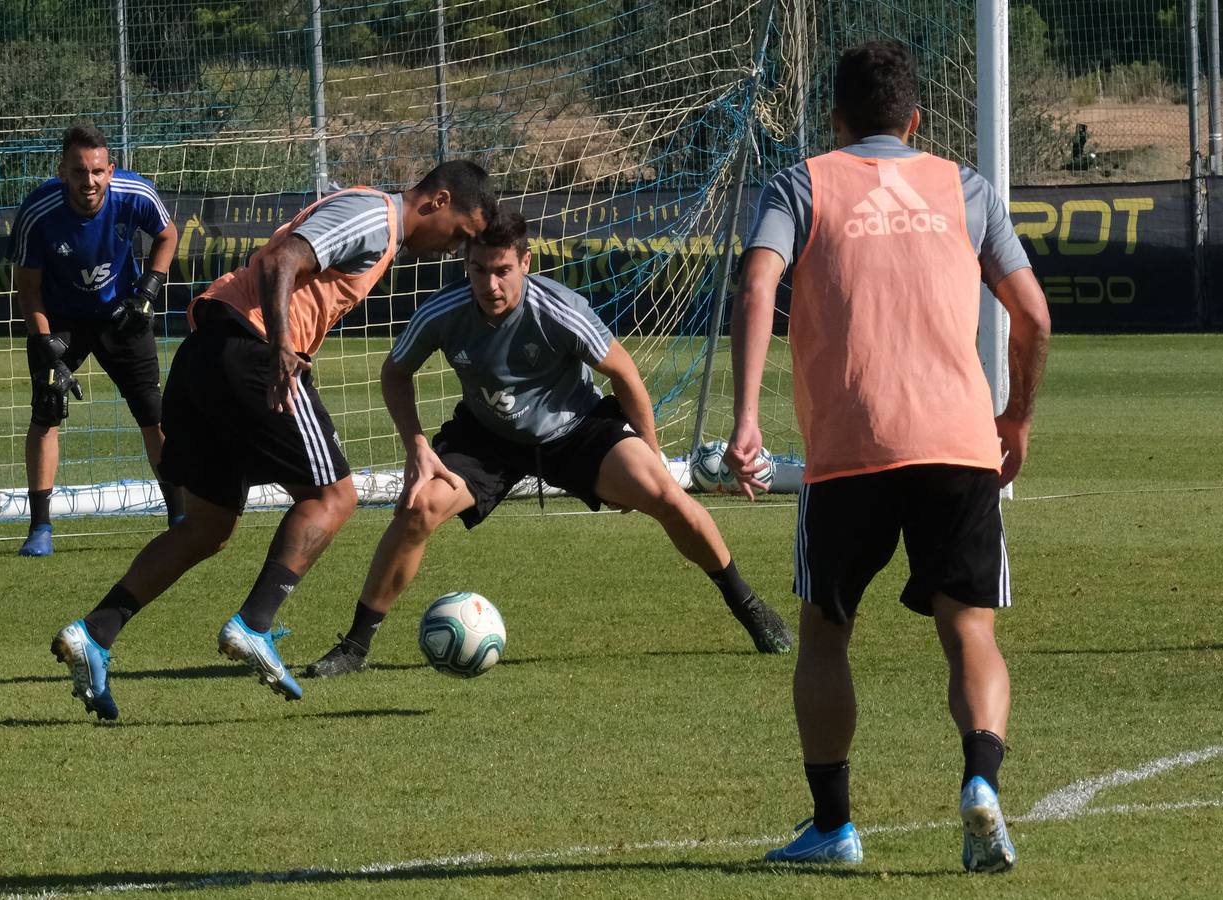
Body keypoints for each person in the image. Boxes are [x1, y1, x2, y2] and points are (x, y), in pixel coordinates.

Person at [727, 41, 1050, 872]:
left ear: (833, 121)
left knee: (826, 634)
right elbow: (1034, 319)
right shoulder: (964, 187)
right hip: (957, 441)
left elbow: (758, 285)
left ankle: (832, 827)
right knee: (968, 629)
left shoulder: (801, 182)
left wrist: (745, 419)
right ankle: (980, 780)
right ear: (914, 119)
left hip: (850, 446)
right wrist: (1013, 415)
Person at [49, 161, 498, 720]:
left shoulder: (378, 227)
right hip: (253, 351)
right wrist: (284, 346)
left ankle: (96, 631)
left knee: (208, 526)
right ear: (438, 201)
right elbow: (285, 259)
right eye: (460, 234)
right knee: (335, 497)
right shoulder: (376, 216)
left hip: (209, 353)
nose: (454, 249)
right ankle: (254, 624)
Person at [302, 207, 794, 681]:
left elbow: (623, 373)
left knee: (667, 496)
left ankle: (747, 605)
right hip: (486, 437)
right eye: (477, 270)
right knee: (419, 506)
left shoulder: (558, 309)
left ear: (525, 263)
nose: (489, 285)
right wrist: (416, 447)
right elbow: (395, 372)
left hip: (576, 429)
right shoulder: (444, 311)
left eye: (502, 271)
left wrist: (651, 451)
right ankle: (355, 646)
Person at [11, 124, 182, 557]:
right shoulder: (39, 212)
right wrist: (45, 344)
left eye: (98, 171)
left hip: (122, 314)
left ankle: (179, 516)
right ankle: (40, 528)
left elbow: (167, 234)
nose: (89, 180)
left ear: (111, 170)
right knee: (47, 410)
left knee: (153, 413)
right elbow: (28, 288)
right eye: (79, 171)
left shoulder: (136, 194)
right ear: (62, 170)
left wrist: (148, 290)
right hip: (62, 318)